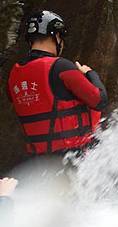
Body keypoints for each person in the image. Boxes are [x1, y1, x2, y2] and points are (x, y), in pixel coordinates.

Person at [7, 11, 107, 156]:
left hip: (39, 162)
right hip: (75, 158)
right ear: (56, 36)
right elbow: (99, 100)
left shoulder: (13, 76)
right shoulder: (61, 67)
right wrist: (90, 73)